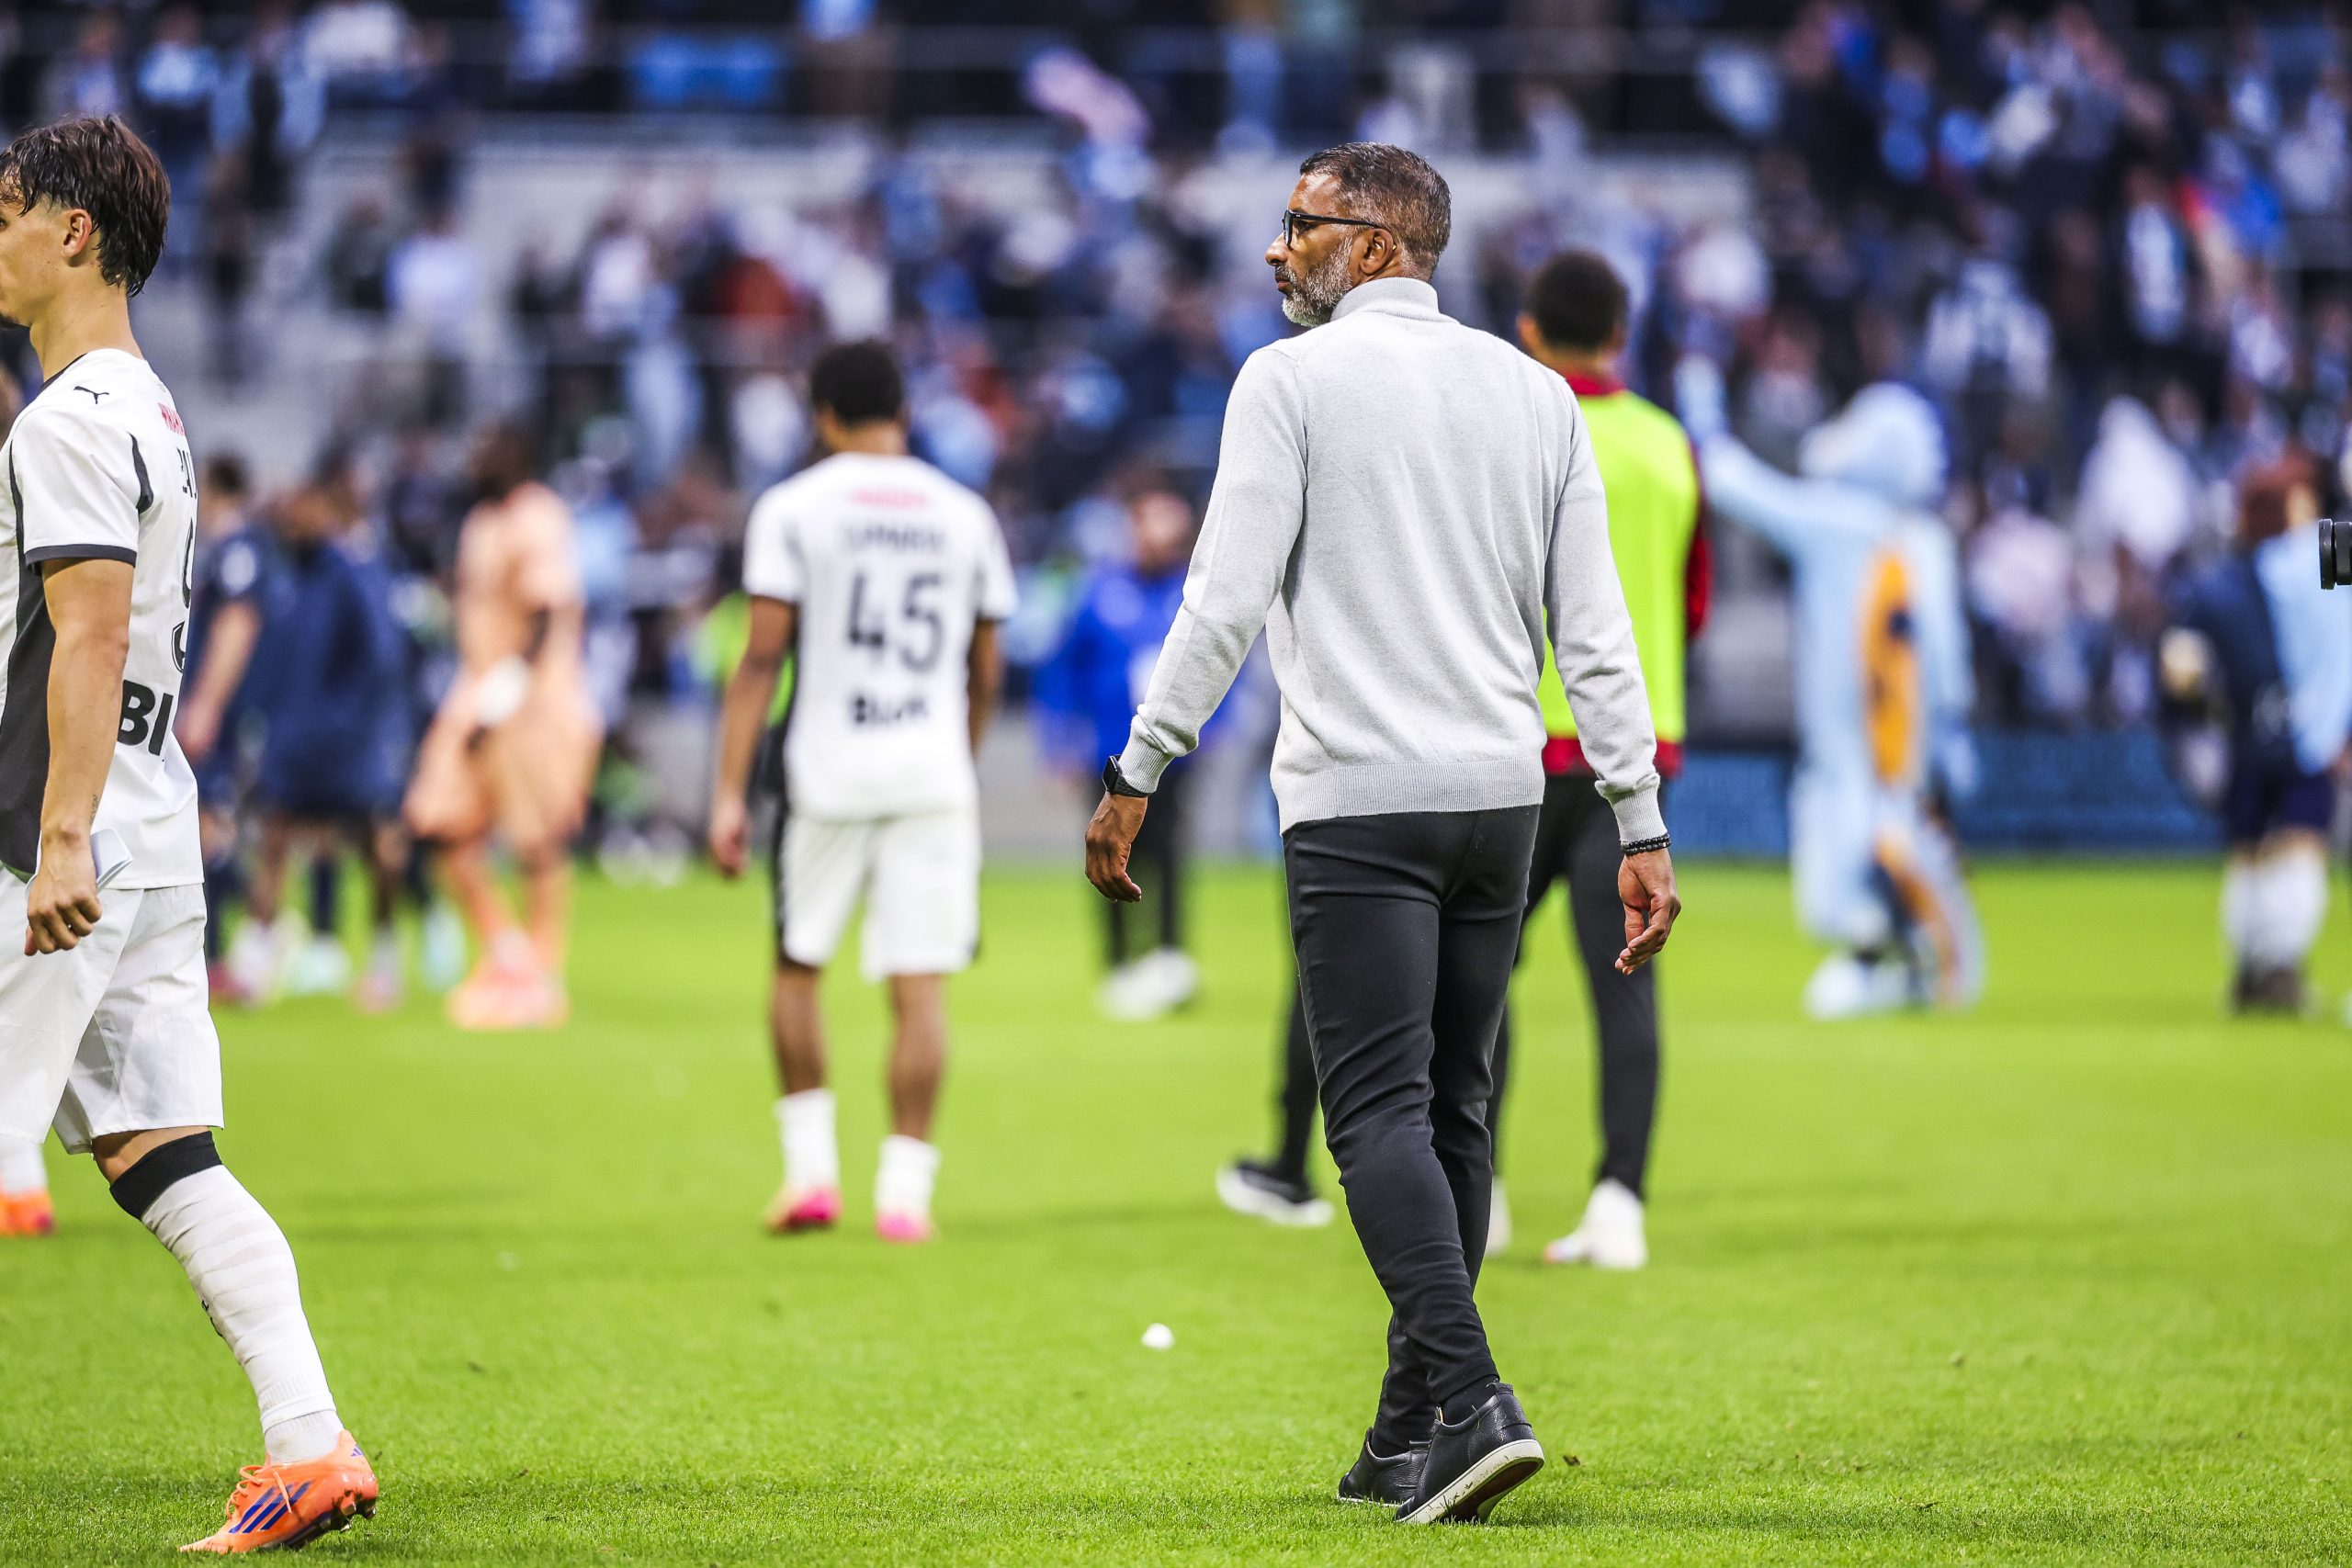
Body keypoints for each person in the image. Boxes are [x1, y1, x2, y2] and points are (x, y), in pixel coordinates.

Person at [1084, 143, 1679, 1526]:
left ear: (1383, 241)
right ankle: (1408, 1428)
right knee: (1458, 1107)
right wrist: (1636, 813)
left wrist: (1139, 766)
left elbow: (1223, 601)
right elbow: (1592, 635)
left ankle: (1473, 1393)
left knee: (1373, 1115)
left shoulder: (1287, 382)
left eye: (1303, 225)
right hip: (1504, 798)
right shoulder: (1538, 397)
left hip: (1360, 797)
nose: (1280, 248)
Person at [0, 115, 377, 1549]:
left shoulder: (72, 418)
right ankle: (309, 1442)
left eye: (7, 211)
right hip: (155, 831)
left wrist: (58, 839)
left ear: (73, 232)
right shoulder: (151, 410)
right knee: (163, 1151)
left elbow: (88, 635)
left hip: (59, 841)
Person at [708, 340, 1014, 1245]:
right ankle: (904, 1196)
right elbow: (986, 670)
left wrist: (727, 793)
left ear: (822, 415)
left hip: (829, 768)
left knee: (799, 964)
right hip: (929, 771)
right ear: (903, 413)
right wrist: (954, 754)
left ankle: (810, 1177)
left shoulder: (794, 508)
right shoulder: (964, 515)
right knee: (919, 987)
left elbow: (762, 654)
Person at [1486, 249, 1709, 1269]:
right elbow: (1692, 598)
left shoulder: (1517, 427)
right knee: (1622, 979)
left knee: (1477, 975)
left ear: (1529, 328)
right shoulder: (1670, 445)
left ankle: (1475, 1193)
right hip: (1638, 747)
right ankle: (1619, 1201)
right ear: (1621, 334)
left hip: (1523, 742)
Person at [1679, 361, 1983, 1019]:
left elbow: (1733, 483)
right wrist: (1954, 727)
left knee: (1849, 853)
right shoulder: (1926, 537)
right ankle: (1907, 960)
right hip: (1903, 741)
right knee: (1890, 840)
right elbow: (1952, 649)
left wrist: (1701, 407)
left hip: (1858, 736)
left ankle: (1875, 958)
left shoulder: (1837, 522)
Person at [404, 421, 602, 1029]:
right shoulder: (480, 520)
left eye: (487, 445)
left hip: (532, 699)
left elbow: (546, 612)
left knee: (537, 839)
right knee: (437, 822)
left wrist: (507, 694)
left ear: (518, 452)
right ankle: (508, 950)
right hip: (477, 688)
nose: (474, 455)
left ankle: (541, 971)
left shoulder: (538, 516)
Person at [2161, 451, 2352, 1013]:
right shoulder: (2318, 555)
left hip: (2245, 733)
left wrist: (2199, 725)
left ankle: (2248, 969)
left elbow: (2181, 664)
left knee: (2248, 852)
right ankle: (2279, 969)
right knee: (2299, 844)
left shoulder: (2223, 579)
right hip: (2305, 731)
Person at [222, 470, 413, 1011]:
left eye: (303, 510)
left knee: (377, 846)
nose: (291, 520)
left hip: (348, 744)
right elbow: (273, 661)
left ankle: (383, 957)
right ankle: (256, 966)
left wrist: (347, 724)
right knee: (276, 841)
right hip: (292, 741)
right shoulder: (286, 579)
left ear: (326, 514)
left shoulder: (352, 576)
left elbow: (381, 657)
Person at [1036, 482, 1202, 1021]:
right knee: (1108, 853)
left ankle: (1171, 959)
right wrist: (1059, 742)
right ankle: (1118, 966)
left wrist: (1213, 734)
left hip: (1173, 758)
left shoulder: (1190, 593)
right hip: (1109, 756)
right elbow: (1060, 670)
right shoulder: (1098, 592)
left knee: (1170, 855)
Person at [174, 452, 271, 1005]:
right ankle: (228, 952)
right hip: (217, 713)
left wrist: (206, 704)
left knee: (210, 830)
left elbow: (237, 626)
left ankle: (242, 944)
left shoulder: (238, 552)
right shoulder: (230, 550)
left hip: (222, 717)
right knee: (209, 830)